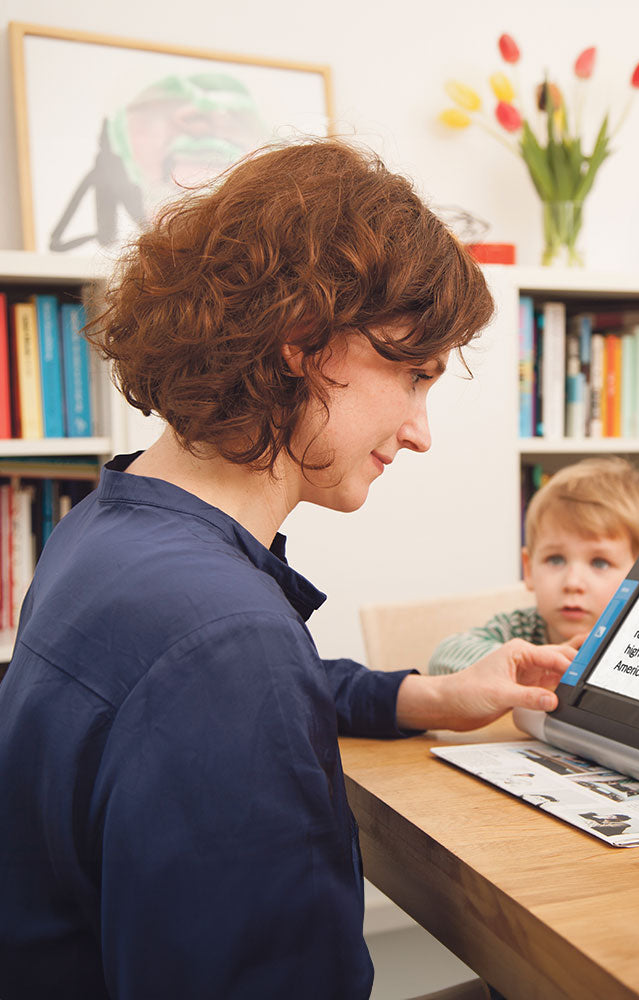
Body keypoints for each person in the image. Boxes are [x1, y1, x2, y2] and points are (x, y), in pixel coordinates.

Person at [0, 138, 576, 1000]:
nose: (421, 431)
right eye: (412, 376)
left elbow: (252, 683)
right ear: (302, 342)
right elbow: (236, 675)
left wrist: (426, 695)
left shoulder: (111, 529)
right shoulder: (225, 645)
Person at [428, 457, 639, 674]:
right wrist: (525, 662)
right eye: (556, 560)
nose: (572, 583)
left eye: (599, 562)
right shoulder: (521, 628)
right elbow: (444, 657)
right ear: (529, 569)